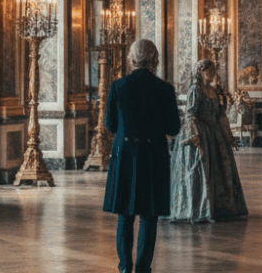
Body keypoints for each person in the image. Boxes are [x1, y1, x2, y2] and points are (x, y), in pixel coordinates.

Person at [103, 39, 181, 273]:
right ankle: (143, 268)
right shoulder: (164, 89)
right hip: (153, 155)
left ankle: (125, 267)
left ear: (131, 58)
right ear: (155, 59)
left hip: (125, 154)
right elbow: (173, 128)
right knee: (149, 215)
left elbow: (110, 125)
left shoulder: (118, 86)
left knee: (125, 216)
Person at [167, 59, 248, 223]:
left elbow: (220, 115)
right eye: (210, 71)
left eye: (213, 71)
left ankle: (220, 207)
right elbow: (190, 115)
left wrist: (229, 136)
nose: (213, 74)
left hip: (215, 133)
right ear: (201, 72)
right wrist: (195, 136)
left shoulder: (212, 90)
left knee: (220, 169)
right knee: (202, 170)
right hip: (200, 133)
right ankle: (199, 208)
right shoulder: (195, 90)